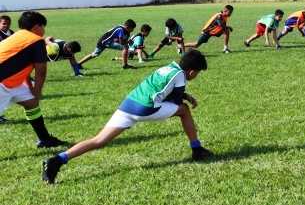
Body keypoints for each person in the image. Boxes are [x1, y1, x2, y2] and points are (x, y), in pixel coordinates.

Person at [43, 50, 213, 184]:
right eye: (197, 73)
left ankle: (57, 160)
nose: (195, 76)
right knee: (184, 110)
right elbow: (175, 99)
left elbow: (163, 91)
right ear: (191, 71)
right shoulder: (181, 76)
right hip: (145, 109)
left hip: (129, 104)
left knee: (99, 140)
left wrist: (185, 95)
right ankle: (197, 149)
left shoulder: (168, 67)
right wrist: (186, 98)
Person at [0, 11, 64, 148]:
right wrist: (37, 91)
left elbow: (22, 68)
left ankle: (45, 139)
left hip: (11, 82)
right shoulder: (36, 40)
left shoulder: (17, 36)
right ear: (36, 27)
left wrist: (31, 89)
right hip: (2, 83)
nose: (44, 30)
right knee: (33, 99)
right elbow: (41, 70)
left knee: (31, 103)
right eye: (43, 26)